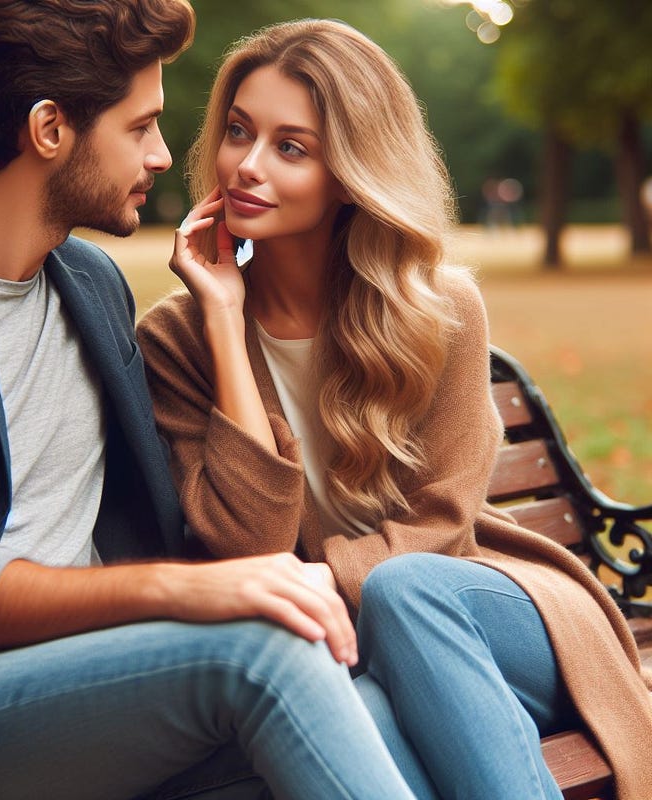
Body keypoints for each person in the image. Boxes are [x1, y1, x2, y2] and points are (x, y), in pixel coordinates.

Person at [0, 4, 423, 799]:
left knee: (364, 701)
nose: (164, 156)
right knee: (264, 652)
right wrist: (184, 591)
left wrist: (224, 313)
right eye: (142, 126)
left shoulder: (90, 286)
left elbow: (240, 544)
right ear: (50, 128)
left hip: (102, 688)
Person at [137, 18, 652, 800]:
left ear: (348, 170)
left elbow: (442, 523)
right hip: (346, 657)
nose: (246, 165)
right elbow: (249, 550)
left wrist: (315, 585)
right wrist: (220, 319)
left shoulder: (438, 309)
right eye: (239, 131)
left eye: (290, 147)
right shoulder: (178, 339)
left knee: (401, 589)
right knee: (368, 713)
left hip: (487, 612)